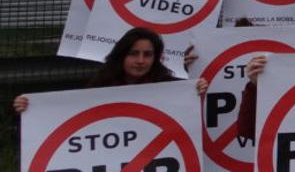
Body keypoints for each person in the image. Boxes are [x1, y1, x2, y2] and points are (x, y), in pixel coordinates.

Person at [13, 27, 205, 113]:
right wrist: (31, 107)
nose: (140, 61)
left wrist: (196, 90)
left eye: (147, 55)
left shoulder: (169, 87)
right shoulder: (99, 87)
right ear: (121, 55)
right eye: (133, 53)